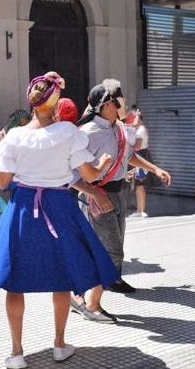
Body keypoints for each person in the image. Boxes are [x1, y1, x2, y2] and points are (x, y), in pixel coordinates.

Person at [0, 72, 118, 369]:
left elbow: (3, 183)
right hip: (59, 206)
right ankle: (59, 345)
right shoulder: (68, 132)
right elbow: (90, 176)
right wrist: (103, 164)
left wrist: (20, 164)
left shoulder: (14, 136)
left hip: (23, 207)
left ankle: (16, 353)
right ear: (55, 105)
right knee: (62, 277)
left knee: (15, 281)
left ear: (31, 102)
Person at [70, 80, 172, 323]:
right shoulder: (87, 133)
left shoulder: (119, 128)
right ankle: (90, 304)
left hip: (118, 193)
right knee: (111, 250)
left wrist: (155, 169)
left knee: (110, 248)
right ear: (107, 104)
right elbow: (72, 175)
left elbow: (130, 156)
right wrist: (95, 194)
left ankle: (79, 295)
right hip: (98, 196)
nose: (123, 102)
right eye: (119, 98)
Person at [126, 107, 154, 218]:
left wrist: (127, 147)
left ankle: (142, 209)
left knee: (140, 184)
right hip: (138, 157)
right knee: (137, 185)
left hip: (141, 156)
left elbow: (137, 146)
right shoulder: (136, 129)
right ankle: (139, 209)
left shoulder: (140, 130)